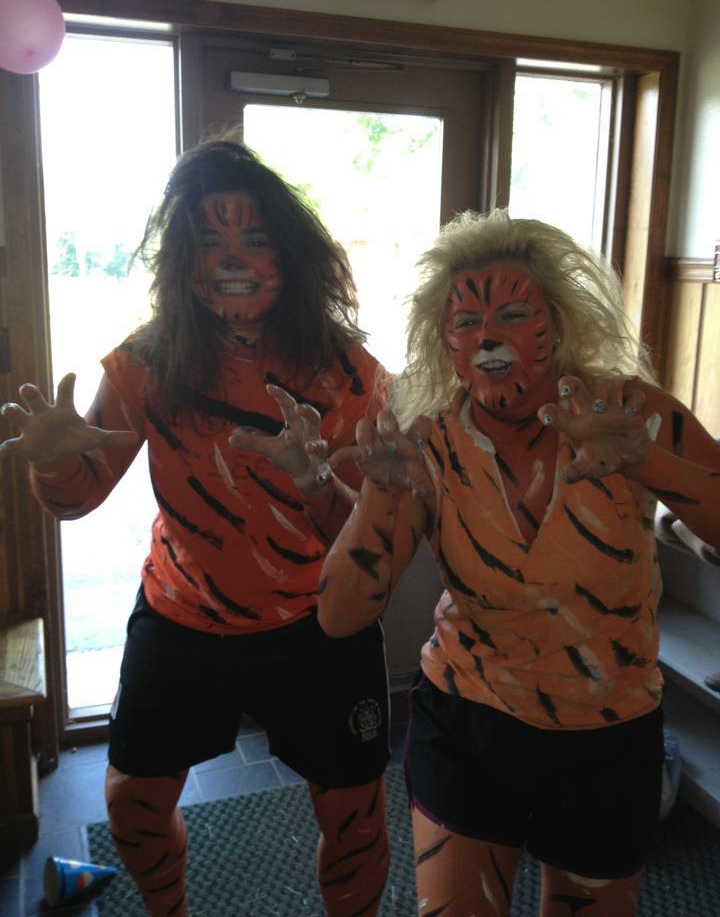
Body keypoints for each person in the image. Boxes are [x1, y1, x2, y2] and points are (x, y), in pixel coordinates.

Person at [0, 139, 392, 917]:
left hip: (318, 619)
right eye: (209, 241)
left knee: (354, 818)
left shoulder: (349, 374)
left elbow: (369, 544)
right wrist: (52, 464)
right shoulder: (148, 361)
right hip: (182, 615)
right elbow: (79, 498)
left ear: (291, 255)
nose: (232, 258)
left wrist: (313, 482)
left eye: (254, 238)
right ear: (182, 261)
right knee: (133, 806)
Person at [317, 209, 720, 917]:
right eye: (466, 323)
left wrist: (649, 462)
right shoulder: (429, 445)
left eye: (511, 314)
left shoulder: (630, 413)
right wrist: (380, 495)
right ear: (445, 340)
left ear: (557, 326)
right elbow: (339, 615)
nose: (488, 337)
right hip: (466, 720)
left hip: (609, 729)